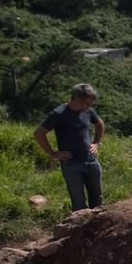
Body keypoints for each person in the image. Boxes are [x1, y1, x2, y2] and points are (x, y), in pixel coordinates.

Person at [33, 83, 105, 211]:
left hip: (91, 160)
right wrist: (53, 153)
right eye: (87, 103)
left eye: (90, 104)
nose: (89, 107)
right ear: (77, 99)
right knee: (78, 203)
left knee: (97, 199)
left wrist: (96, 143)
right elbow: (39, 133)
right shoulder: (58, 113)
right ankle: (81, 229)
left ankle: (97, 228)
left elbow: (100, 124)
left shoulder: (87, 110)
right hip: (71, 165)